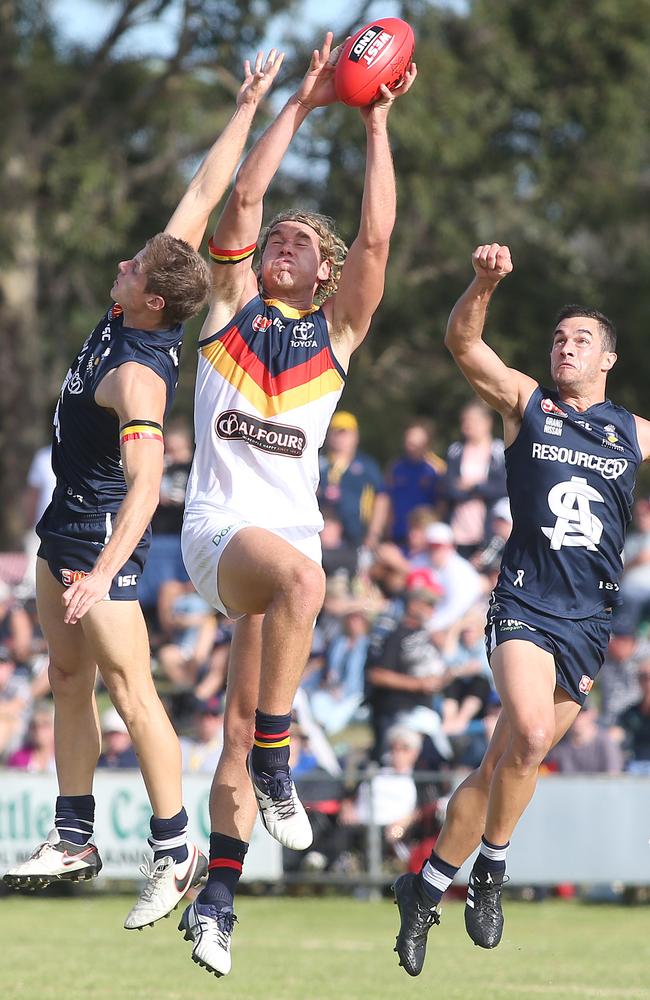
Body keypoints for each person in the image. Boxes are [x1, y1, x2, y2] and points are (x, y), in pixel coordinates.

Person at [2, 53, 284, 932]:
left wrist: (103, 567)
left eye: (134, 269)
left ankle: (174, 849)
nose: (124, 263)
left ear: (154, 302)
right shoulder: (143, 301)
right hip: (63, 529)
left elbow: (152, 480)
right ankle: (75, 835)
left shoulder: (139, 374)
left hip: (96, 538)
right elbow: (201, 199)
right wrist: (246, 110)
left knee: (133, 690)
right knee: (66, 677)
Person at [178, 32, 416, 977]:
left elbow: (379, 237)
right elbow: (240, 196)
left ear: (322, 274)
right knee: (308, 579)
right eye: (276, 236)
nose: (281, 241)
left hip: (282, 558)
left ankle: (220, 900)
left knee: (237, 725)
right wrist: (303, 105)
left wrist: (377, 122)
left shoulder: (337, 335)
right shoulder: (229, 310)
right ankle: (285, 761)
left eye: (300, 244)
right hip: (220, 535)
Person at [392, 242, 650, 975]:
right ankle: (493, 872)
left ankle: (426, 886)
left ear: (608, 360)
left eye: (582, 341)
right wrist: (481, 283)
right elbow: (462, 342)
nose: (566, 347)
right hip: (525, 604)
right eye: (559, 338)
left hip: (589, 622)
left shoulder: (632, 433)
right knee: (531, 733)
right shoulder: (526, 404)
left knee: (505, 762)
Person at [442, 398, 507, 558]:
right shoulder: (455, 451)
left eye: (471, 422)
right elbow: (449, 489)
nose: (466, 427)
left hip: (487, 531)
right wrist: (481, 489)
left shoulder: (498, 451)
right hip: (457, 531)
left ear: (487, 423)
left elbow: (503, 488)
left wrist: (473, 486)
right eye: (464, 422)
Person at [318, 410, 389, 550]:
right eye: (337, 433)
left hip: (357, 535)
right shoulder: (319, 463)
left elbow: (381, 498)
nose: (341, 439)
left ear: (355, 436)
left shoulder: (366, 465)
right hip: (324, 535)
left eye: (346, 433)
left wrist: (374, 533)